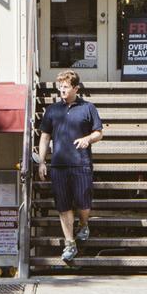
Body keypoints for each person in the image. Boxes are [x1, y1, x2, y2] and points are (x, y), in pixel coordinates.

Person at [36, 69, 103, 265]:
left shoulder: (88, 108)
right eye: (60, 87)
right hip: (59, 165)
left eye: (65, 87)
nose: (62, 90)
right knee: (63, 206)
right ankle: (70, 243)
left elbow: (99, 133)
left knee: (83, 202)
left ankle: (83, 224)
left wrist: (87, 139)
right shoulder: (52, 110)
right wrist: (42, 161)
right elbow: (45, 137)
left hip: (81, 163)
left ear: (76, 88)